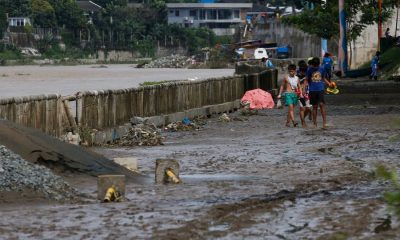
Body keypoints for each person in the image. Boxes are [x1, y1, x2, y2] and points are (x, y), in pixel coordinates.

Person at [305, 57, 332, 129]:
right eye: (314, 66)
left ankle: (324, 123)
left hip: (320, 89)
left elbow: (323, 78)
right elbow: (306, 79)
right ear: (313, 64)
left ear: (319, 64)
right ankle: (315, 124)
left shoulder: (322, 69)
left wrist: (329, 83)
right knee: (314, 107)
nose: (316, 67)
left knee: (322, 105)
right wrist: (305, 88)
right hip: (312, 90)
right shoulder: (309, 70)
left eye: (317, 66)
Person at [297, 60, 312, 127]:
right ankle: (303, 123)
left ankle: (304, 117)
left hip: (308, 93)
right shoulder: (297, 76)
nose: (303, 73)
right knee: (302, 108)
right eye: (302, 71)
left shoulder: (308, 75)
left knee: (308, 108)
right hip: (300, 94)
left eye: (304, 71)